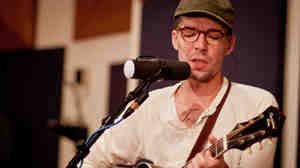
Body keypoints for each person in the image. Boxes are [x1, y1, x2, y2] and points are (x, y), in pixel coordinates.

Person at [82, 0, 279, 167]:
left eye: (213, 35)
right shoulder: (147, 105)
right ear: (175, 39)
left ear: (229, 44)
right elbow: (89, 162)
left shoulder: (256, 105)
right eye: (189, 32)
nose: (200, 45)